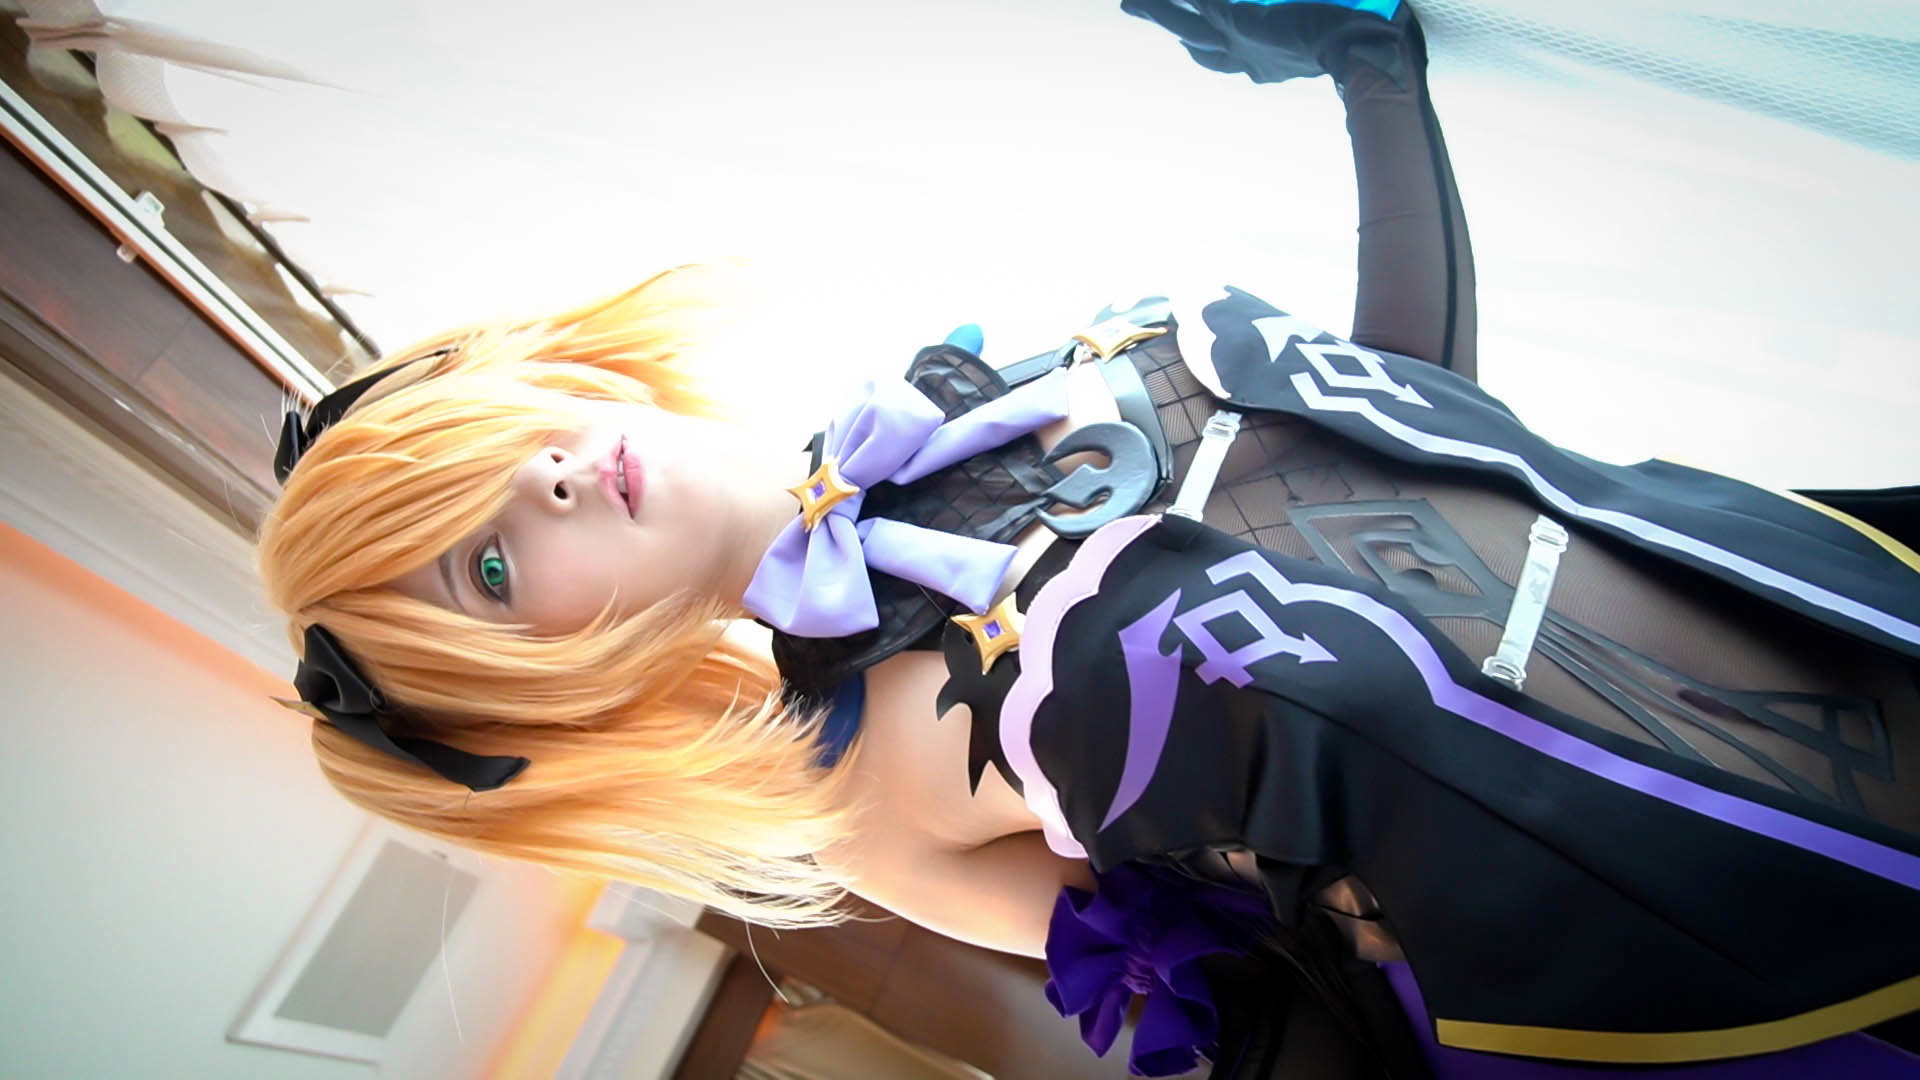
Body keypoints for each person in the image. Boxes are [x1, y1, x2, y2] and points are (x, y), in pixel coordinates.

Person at [258, 2, 1920, 1076]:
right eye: (488, 567)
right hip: (1760, 955)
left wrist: (1372, 72)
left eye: (485, 444)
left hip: (1795, 594)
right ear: (546, 689)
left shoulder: (970, 379)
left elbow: (1422, 424)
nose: (543, 480)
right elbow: (1302, 1006)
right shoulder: (862, 811)